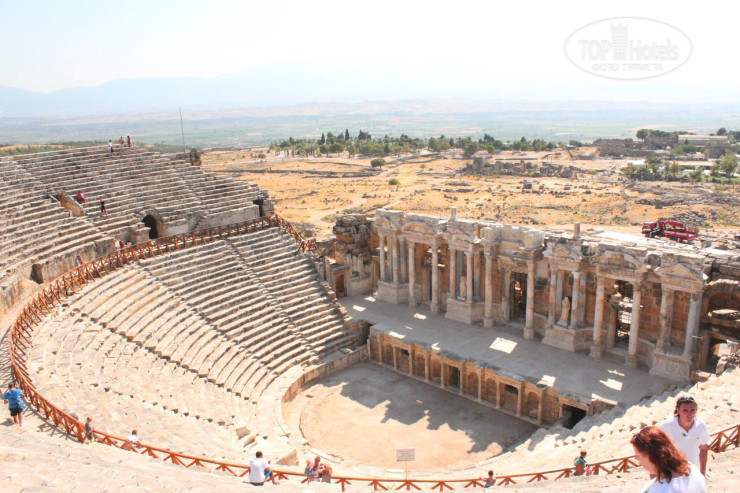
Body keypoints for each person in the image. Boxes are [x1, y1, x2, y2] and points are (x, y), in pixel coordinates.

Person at [631, 426, 706, 493]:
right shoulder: (691, 468)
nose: (639, 462)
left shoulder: (663, 489)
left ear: (649, 456)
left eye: (637, 457)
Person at [659, 396, 710, 475]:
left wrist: (702, 472)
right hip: (673, 473)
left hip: (693, 472)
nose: (689, 414)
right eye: (685, 410)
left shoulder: (701, 425)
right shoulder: (666, 426)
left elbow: (703, 448)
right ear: (678, 410)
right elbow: (657, 450)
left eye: (692, 410)